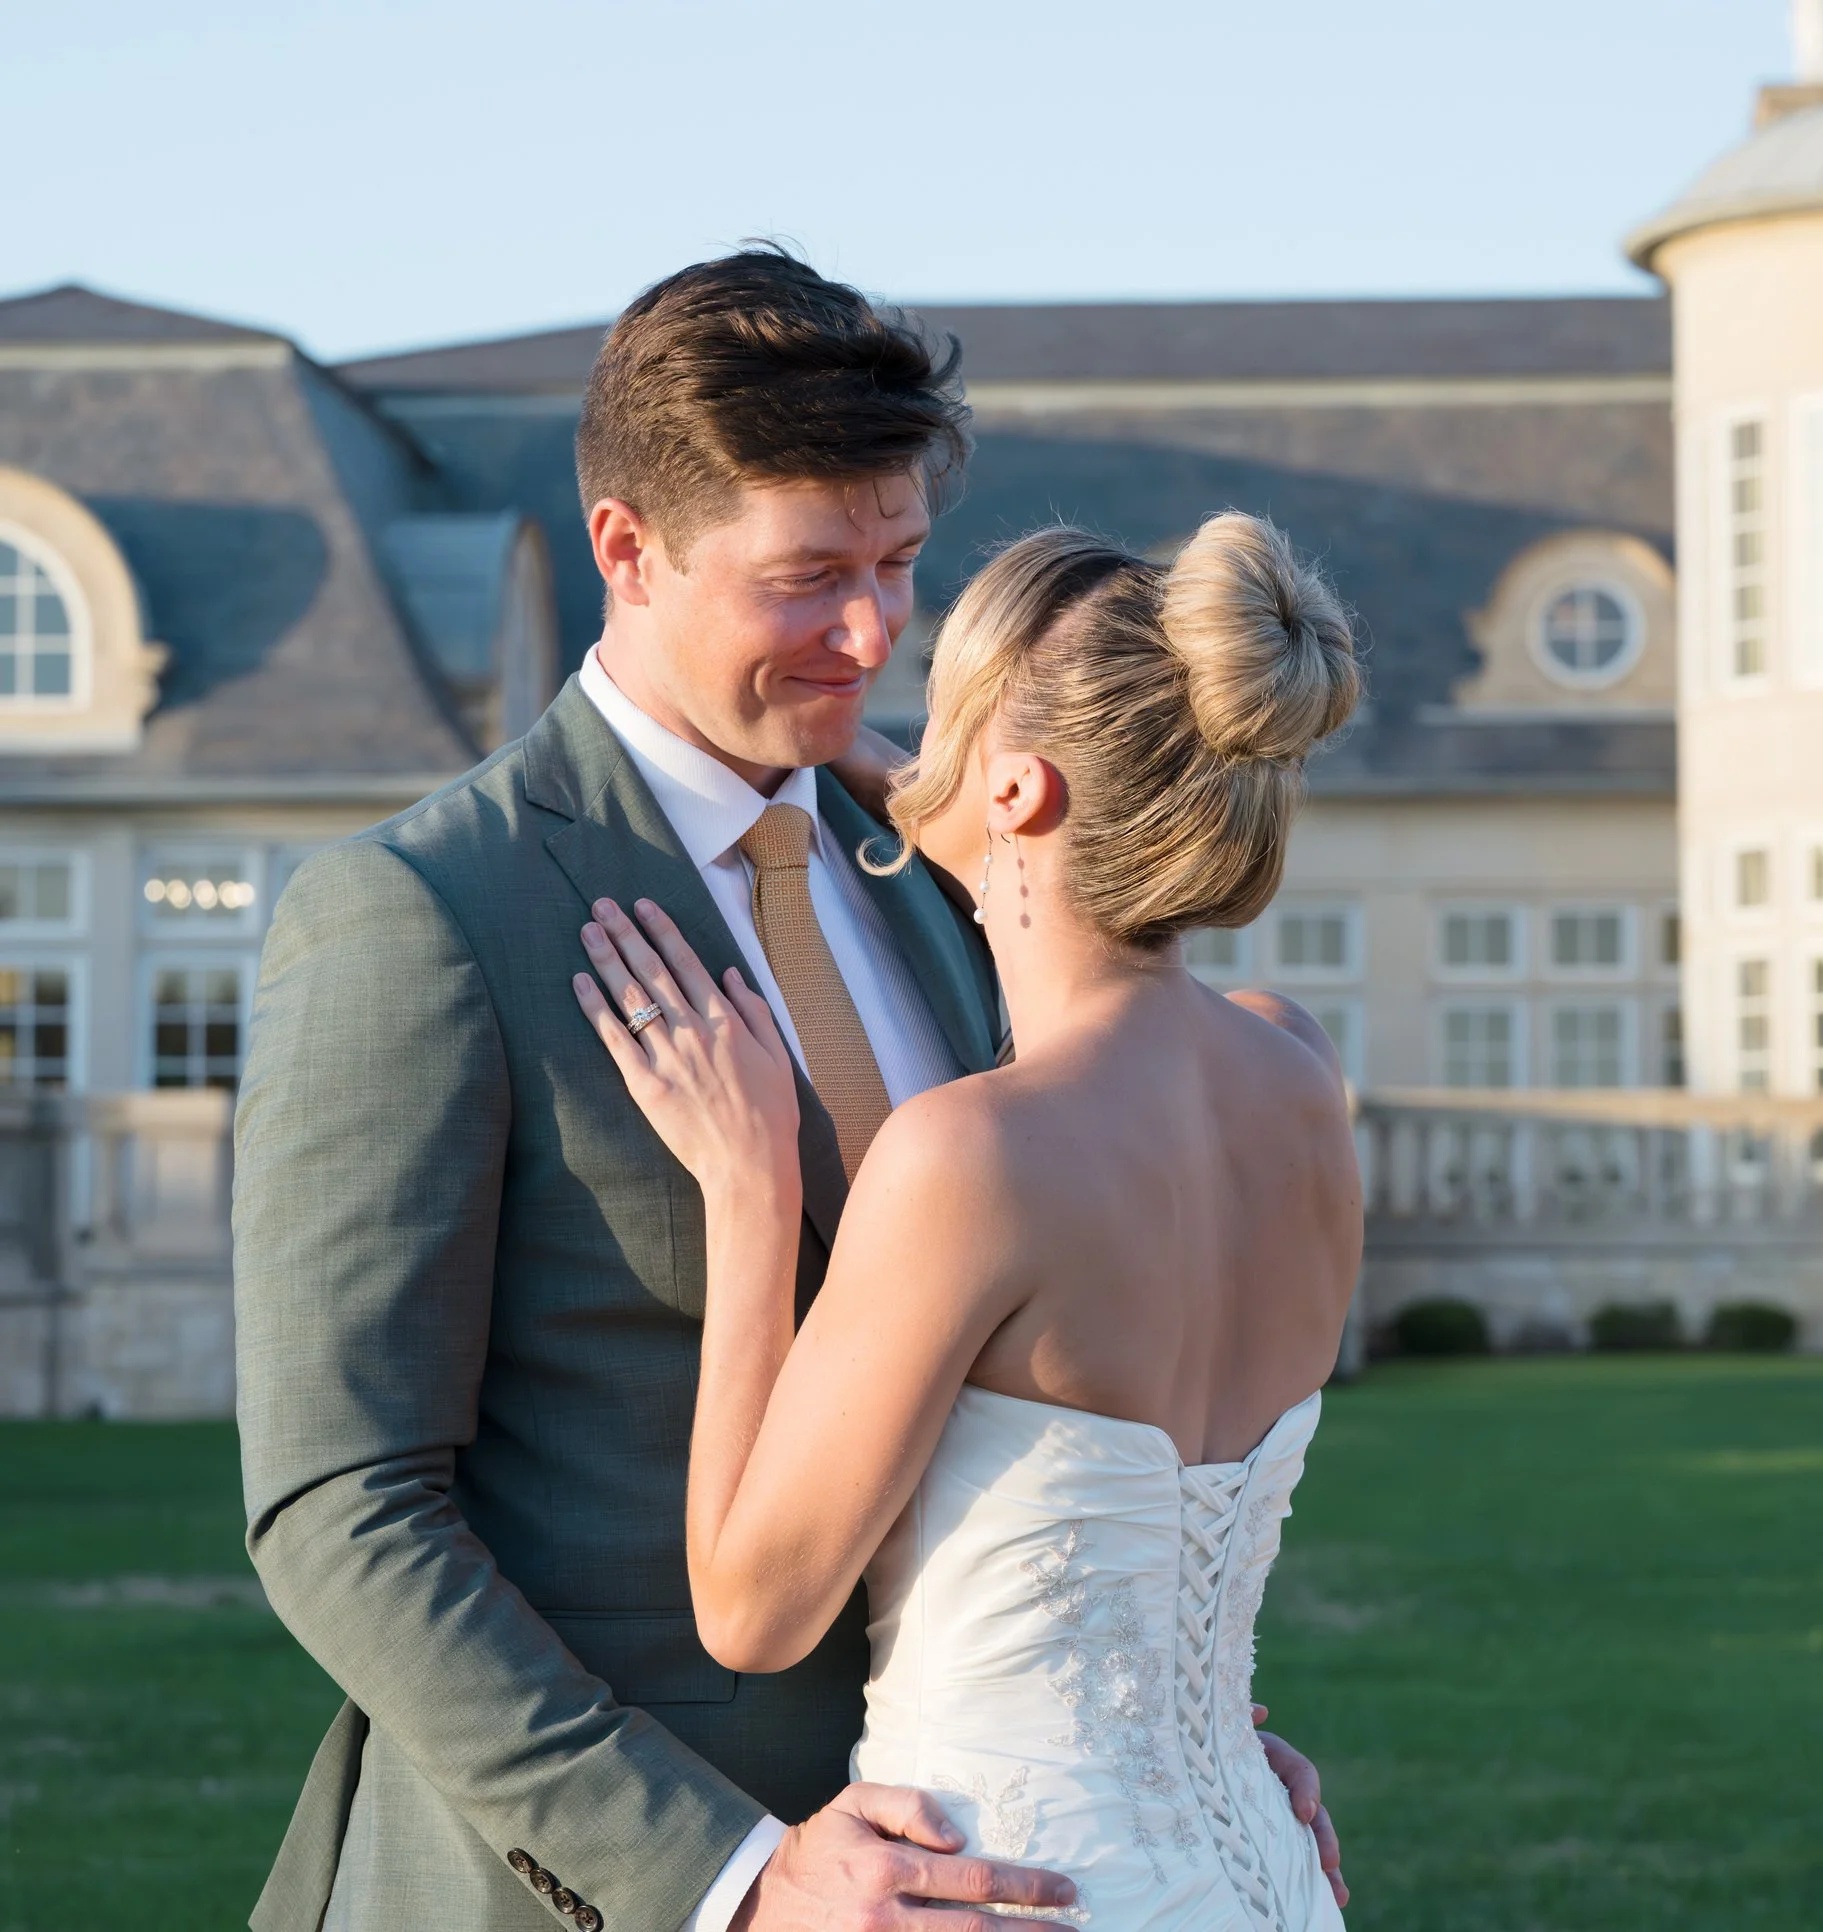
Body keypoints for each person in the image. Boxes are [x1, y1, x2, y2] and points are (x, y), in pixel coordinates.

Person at [233, 248, 1341, 1932]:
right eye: (811, 573)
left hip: (1005, 1858)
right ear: (630, 550)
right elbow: (343, 1507)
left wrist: (1186, 1744)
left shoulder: (953, 877)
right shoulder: (425, 917)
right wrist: (729, 1878)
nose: (875, 628)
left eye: (899, 560)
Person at [570, 508, 1365, 1930]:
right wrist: (954, 790)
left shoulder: (973, 1156)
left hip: (1004, 1892)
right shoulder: (1297, 1073)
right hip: (1269, 1880)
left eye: (939, 717)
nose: (898, 747)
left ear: (1017, 791)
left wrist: (756, 1195)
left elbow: (754, 1612)